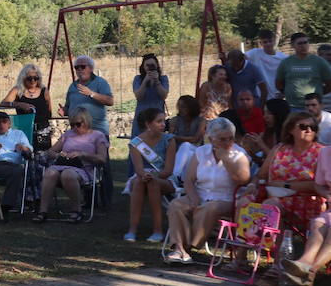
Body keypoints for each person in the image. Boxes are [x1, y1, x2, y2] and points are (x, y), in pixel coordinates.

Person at [164, 118, 249, 264]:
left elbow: (243, 180)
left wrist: (227, 160)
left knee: (209, 208)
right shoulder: (201, 152)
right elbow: (189, 180)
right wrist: (193, 197)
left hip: (226, 199)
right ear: (211, 138)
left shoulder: (239, 154)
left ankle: (189, 246)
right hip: (201, 194)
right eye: (222, 139)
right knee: (176, 205)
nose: (227, 142)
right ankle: (179, 249)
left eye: (231, 138)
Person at [236, 111, 326, 236]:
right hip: (272, 195)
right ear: (290, 130)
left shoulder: (321, 152)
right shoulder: (279, 149)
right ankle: (241, 248)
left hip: (305, 200)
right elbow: (261, 175)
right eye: (303, 127)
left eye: (313, 127)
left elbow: (317, 185)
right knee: (244, 202)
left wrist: (284, 185)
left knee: (270, 206)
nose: (309, 130)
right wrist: (252, 185)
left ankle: (269, 249)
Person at [34, 109, 108, 223]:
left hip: (85, 169)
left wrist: (82, 154)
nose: (75, 128)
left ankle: (77, 210)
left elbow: (102, 158)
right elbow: (50, 152)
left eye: (77, 124)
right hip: (63, 164)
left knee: (67, 174)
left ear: (86, 121)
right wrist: (60, 154)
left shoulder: (97, 136)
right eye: (72, 124)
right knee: (49, 172)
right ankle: (42, 211)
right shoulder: (68, 134)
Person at [279, 145, 331, 286]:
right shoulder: (326, 152)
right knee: (318, 223)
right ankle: (303, 262)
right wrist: (327, 195)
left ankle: (310, 270)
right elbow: (319, 185)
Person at [124, 107, 176, 243]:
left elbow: (168, 170)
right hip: (143, 177)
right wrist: (143, 175)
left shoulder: (169, 140)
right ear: (148, 124)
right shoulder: (136, 143)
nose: (163, 124)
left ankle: (157, 231)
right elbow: (139, 169)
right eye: (159, 121)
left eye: (163, 121)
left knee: (151, 182)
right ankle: (132, 230)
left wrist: (154, 176)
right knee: (140, 182)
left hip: (166, 178)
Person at [1, 63, 53, 147]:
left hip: (42, 130)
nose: (33, 81)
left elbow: (49, 110)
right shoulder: (17, 90)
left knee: (43, 156)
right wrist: (19, 104)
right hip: (24, 130)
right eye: (29, 78)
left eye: (35, 78)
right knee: (25, 154)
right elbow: (3, 103)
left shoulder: (44, 90)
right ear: (23, 78)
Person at [275, 33, 331, 104]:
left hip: (313, 107)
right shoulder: (286, 62)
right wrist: (289, 93)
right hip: (292, 106)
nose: (303, 46)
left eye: (305, 42)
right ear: (293, 45)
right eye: (300, 43)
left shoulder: (319, 61)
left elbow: (329, 84)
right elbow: (278, 84)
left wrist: (318, 94)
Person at [63, 54, 113, 132]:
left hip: (97, 131)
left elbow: (110, 101)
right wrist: (64, 111)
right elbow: (68, 107)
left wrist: (91, 94)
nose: (79, 70)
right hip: (77, 132)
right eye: (77, 67)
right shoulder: (72, 86)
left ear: (91, 68)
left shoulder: (100, 82)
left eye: (83, 67)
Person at [131, 54, 169, 137]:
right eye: (147, 65)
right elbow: (138, 96)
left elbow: (164, 95)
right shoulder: (138, 79)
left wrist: (157, 81)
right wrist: (145, 81)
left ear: (157, 66)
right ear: (143, 67)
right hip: (142, 116)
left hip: (157, 116)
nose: (150, 67)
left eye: (152, 65)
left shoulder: (163, 79)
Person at [245, 29, 288, 102]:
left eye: (270, 41)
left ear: (274, 41)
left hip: (277, 95)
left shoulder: (283, 58)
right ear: (261, 43)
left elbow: (288, 77)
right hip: (260, 97)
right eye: (265, 42)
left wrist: (284, 92)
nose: (268, 44)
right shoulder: (255, 53)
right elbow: (239, 58)